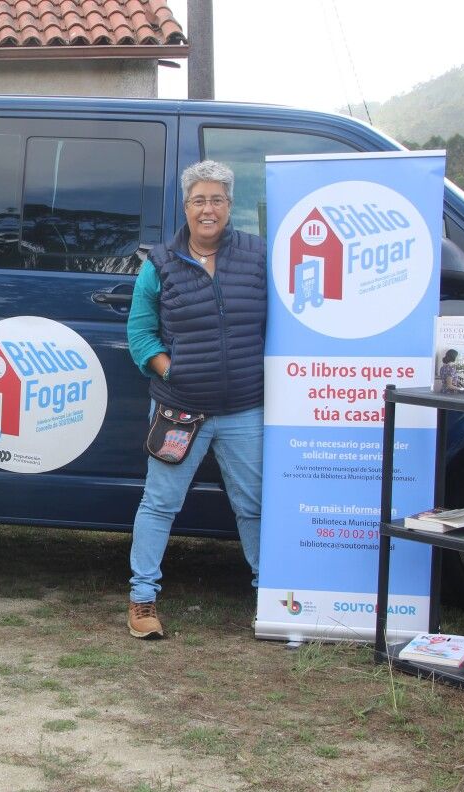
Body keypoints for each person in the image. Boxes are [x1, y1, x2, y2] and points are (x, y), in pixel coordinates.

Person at [125, 160, 266, 639]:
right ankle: (142, 601)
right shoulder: (159, 263)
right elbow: (140, 335)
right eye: (199, 200)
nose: (209, 209)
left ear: (230, 205)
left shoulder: (258, 255)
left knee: (254, 506)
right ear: (185, 207)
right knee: (159, 503)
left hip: (245, 408)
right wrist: (174, 370)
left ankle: (269, 599)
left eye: (218, 199)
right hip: (179, 409)